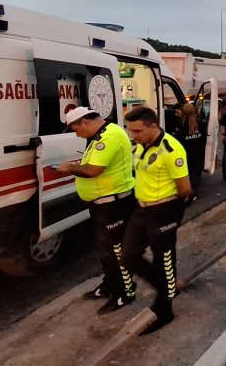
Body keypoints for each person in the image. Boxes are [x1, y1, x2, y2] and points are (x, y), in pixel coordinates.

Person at [56, 106, 136, 315]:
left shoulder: (110, 136)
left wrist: (69, 168)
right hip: (102, 203)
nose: (76, 134)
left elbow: (93, 170)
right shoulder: (99, 135)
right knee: (105, 249)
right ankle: (111, 284)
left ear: (84, 122)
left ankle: (126, 292)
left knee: (116, 250)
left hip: (114, 204)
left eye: (76, 129)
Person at [122, 107, 192, 335]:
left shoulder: (171, 149)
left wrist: (169, 208)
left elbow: (185, 189)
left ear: (153, 126)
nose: (133, 135)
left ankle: (165, 309)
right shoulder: (140, 145)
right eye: (130, 130)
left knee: (164, 260)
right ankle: (166, 287)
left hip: (163, 210)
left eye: (137, 131)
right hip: (140, 209)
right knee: (128, 256)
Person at [175, 103, 206, 202]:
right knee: (195, 173)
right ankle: (194, 191)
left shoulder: (182, 123)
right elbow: (204, 138)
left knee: (187, 173)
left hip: (187, 153)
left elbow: (179, 140)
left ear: (183, 112)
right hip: (199, 152)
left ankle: (188, 193)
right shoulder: (200, 122)